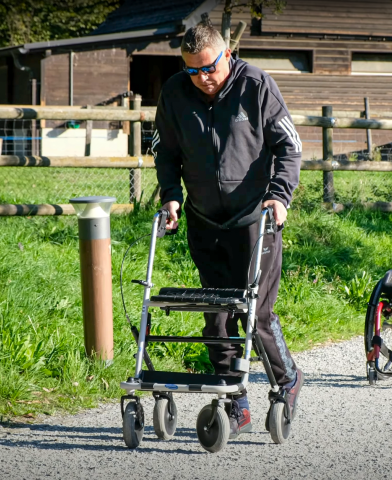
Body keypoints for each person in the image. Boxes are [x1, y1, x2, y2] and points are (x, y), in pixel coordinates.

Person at [152, 18, 303, 439]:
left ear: (227, 55)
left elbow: (289, 147)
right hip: (204, 220)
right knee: (216, 317)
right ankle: (234, 402)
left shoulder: (257, 87)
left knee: (257, 316)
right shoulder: (175, 94)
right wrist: (170, 194)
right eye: (192, 70)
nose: (202, 79)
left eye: (209, 68)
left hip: (257, 221)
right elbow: (165, 152)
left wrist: (280, 195)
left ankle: (288, 380)